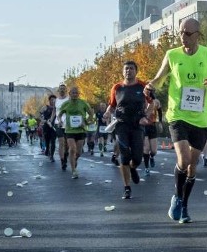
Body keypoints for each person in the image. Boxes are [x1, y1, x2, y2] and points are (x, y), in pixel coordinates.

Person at [144, 18, 207, 224]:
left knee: (192, 166)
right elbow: (159, 77)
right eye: (181, 33)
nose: (183, 37)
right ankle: (176, 196)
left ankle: (184, 203)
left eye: (188, 34)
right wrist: (150, 85)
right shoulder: (172, 55)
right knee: (183, 160)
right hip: (178, 115)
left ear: (198, 35)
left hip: (200, 118)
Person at [105, 60, 151, 199]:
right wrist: (107, 113)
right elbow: (112, 105)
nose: (128, 71)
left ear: (136, 71)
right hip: (121, 125)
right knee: (124, 157)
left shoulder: (143, 86)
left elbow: (152, 103)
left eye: (131, 68)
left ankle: (133, 167)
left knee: (137, 157)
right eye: (126, 69)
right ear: (122, 71)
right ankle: (127, 187)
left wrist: (146, 116)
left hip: (137, 125)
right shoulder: (117, 87)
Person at [57, 86, 94, 179]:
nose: (74, 94)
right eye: (73, 93)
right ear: (69, 94)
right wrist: (60, 121)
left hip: (81, 130)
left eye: (76, 93)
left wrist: (85, 122)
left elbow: (91, 114)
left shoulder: (83, 103)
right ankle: (74, 170)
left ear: (79, 94)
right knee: (72, 149)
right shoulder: (66, 104)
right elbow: (59, 115)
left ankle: (74, 159)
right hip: (69, 130)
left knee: (78, 152)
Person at [141, 96, 162, 175]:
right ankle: (146, 168)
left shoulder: (156, 101)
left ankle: (152, 157)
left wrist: (160, 122)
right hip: (143, 126)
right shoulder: (141, 99)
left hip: (152, 126)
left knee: (154, 151)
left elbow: (160, 111)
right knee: (146, 148)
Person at [53, 84, 71, 170]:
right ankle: (62, 160)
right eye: (61, 89)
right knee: (61, 142)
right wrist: (51, 119)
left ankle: (66, 154)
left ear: (66, 90)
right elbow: (54, 111)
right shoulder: (56, 100)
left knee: (67, 144)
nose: (62, 90)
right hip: (59, 123)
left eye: (64, 89)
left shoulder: (69, 99)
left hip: (68, 124)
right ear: (58, 90)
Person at [40, 95, 58, 160]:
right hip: (46, 126)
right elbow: (41, 115)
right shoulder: (45, 107)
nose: (53, 101)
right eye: (51, 100)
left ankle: (52, 155)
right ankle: (47, 149)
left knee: (53, 141)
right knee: (47, 140)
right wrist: (43, 120)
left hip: (54, 126)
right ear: (49, 100)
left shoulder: (57, 108)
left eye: (54, 100)